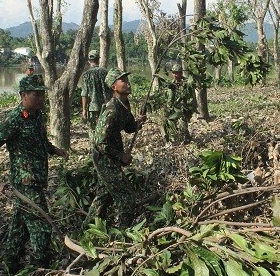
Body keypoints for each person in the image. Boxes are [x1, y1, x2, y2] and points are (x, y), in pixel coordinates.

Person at [0, 74, 68, 274]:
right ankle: (42, 268)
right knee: (41, 224)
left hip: (37, 178)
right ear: (23, 95)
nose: (42, 99)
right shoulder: (15, 119)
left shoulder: (37, 116)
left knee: (20, 224)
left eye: (43, 95)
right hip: (25, 181)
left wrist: (55, 150)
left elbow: (41, 142)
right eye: (37, 95)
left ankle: (11, 262)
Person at [83, 68, 146, 230]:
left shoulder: (124, 104)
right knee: (126, 196)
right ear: (114, 87)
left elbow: (129, 127)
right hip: (104, 158)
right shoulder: (111, 109)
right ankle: (122, 232)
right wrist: (120, 156)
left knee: (103, 196)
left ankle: (87, 230)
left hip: (111, 156)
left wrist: (139, 122)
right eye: (122, 81)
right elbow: (99, 142)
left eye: (126, 79)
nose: (127, 83)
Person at [80, 50, 111, 144]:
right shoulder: (106, 72)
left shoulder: (86, 75)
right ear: (98, 60)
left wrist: (84, 110)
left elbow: (84, 94)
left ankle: (95, 151)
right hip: (106, 106)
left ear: (89, 61)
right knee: (105, 129)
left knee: (93, 131)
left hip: (93, 108)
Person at [161, 63, 196, 144]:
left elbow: (191, 98)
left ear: (181, 73)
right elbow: (168, 98)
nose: (175, 75)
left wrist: (188, 108)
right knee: (165, 122)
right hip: (171, 108)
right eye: (174, 73)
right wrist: (166, 108)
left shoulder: (186, 83)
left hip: (183, 108)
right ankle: (169, 139)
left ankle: (186, 138)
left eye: (177, 73)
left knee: (182, 122)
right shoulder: (171, 84)